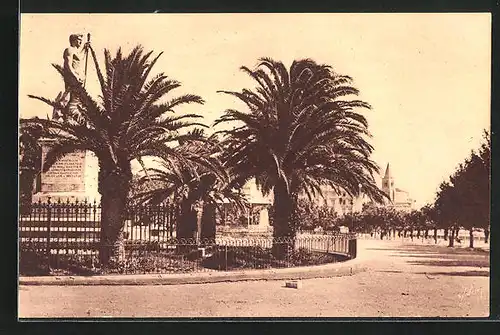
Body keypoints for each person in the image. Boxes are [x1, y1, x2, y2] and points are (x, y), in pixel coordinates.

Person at [52, 33, 90, 122]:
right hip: (72, 79)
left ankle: (70, 119)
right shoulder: (69, 50)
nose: (80, 41)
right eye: (79, 39)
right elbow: (68, 65)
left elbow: (79, 58)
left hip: (78, 79)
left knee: (76, 100)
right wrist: (76, 76)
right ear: (73, 40)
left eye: (81, 40)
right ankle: (59, 115)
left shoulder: (76, 51)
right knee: (68, 98)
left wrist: (85, 48)